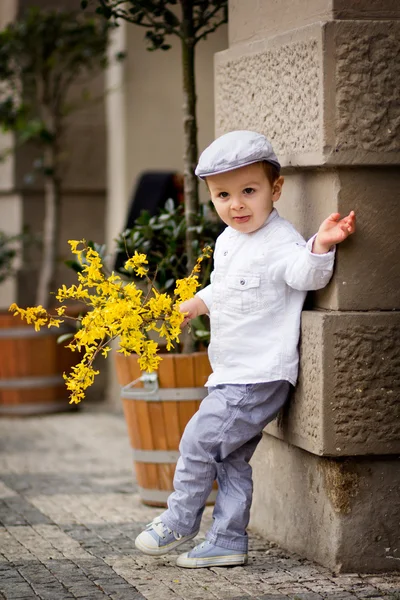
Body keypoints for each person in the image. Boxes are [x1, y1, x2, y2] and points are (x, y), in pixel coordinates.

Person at [134, 130, 356, 568]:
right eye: (222, 195)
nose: (235, 204)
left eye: (248, 191)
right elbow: (225, 287)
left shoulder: (281, 241)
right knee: (231, 460)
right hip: (231, 373)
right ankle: (228, 540)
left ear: (275, 190)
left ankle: (180, 519)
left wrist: (321, 244)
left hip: (257, 375)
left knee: (198, 441)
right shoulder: (229, 241)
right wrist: (198, 303)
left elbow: (303, 274)